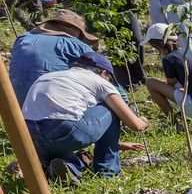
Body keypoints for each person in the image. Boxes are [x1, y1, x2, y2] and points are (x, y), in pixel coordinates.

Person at [21, 51, 149, 183]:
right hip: (67, 131)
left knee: (61, 153)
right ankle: (108, 172)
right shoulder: (100, 81)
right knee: (111, 107)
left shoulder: (48, 77)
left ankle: (67, 168)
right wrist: (144, 121)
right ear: (104, 73)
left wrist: (118, 144)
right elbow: (136, 125)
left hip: (31, 138)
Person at [9, 8, 98, 99]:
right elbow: (100, 76)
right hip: (51, 104)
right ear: (77, 31)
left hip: (15, 101)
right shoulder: (78, 46)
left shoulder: (23, 38)